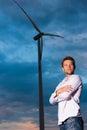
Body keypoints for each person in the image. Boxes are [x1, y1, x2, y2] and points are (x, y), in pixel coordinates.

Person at [49, 56, 84, 130]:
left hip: (73, 119)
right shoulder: (61, 84)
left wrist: (57, 94)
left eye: (71, 64)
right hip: (62, 122)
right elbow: (51, 101)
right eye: (66, 65)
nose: (68, 67)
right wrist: (59, 91)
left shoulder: (76, 78)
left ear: (74, 67)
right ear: (62, 69)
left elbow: (66, 95)